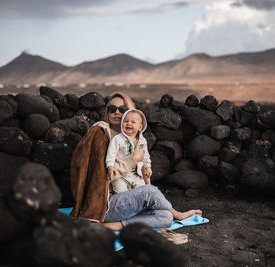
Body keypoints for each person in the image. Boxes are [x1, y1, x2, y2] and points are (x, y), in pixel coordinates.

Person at [70, 92, 202, 230]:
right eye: (112, 109)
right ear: (107, 113)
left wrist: (144, 197)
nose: (116, 112)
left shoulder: (135, 138)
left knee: (165, 217)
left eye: (122, 109)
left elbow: (144, 172)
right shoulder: (101, 134)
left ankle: (115, 226)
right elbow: (98, 179)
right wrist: (132, 160)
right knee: (150, 193)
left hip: (129, 198)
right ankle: (179, 215)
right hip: (105, 203)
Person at [106, 108, 152, 193]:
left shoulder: (142, 141)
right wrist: (110, 165)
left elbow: (145, 155)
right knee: (121, 191)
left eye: (133, 122)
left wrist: (148, 166)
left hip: (135, 174)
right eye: (126, 121)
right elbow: (111, 153)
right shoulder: (118, 139)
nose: (128, 124)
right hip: (121, 175)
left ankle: (140, 204)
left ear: (140, 127)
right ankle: (124, 203)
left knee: (142, 189)